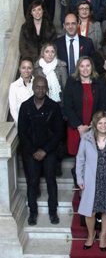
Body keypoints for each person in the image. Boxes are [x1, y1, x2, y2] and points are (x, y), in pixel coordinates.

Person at [18, 76, 63, 226]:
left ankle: (53, 212)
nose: (40, 90)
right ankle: (33, 213)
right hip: (31, 151)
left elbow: (58, 132)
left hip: (49, 151)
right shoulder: (25, 107)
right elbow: (22, 132)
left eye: (43, 87)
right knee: (32, 182)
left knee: (51, 180)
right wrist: (33, 151)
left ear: (47, 89)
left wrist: (45, 150)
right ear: (33, 88)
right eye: (38, 87)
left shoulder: (54, 107)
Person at [76, 110, 106, 251]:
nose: (103, 126)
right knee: (90, 211)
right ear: (95, 124)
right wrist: (79, 178)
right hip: (91, 180)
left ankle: (103, 235)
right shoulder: (86, 138)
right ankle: (91, 236)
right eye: (100, 123)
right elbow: (80, 159)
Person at [64, 56, 106, 156]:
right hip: (76, 127)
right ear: (78, 68)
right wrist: (79, 126)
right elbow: (68, 106)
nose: (85, 69)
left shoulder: (99, 83)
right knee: (78, 156)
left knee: (93, 154)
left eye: (88, 66)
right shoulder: (71, 83)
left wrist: (94, 124)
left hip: (95, 126)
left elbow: (102, 104)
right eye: (82, 66)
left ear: (92, 67)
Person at [33, 43, 67, 108]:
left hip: (59, 103)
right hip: (42, 104)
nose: (50, 54)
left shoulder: (61, 66)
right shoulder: (37, 68)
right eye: (47, 51)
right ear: (42, 53)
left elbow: (65, 86)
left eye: (52, 52)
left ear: (55, 53)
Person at [9, 57, 34, 126]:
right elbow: (13, 109)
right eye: (23, 68)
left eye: (29, 68)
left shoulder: (37, 83)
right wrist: (21, 123)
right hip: (22, 123)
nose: (26, 70)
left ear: (33, 69)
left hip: (37, 122)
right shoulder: (14, 86)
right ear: (19, 69)